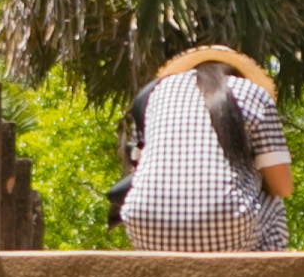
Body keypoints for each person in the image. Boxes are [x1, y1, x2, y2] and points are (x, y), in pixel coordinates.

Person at [118, 43, 294, 252]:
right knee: (274, 204)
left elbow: (137, 170)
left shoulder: (154, 96)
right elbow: (282, 186)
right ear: (238, 74)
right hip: (227, 231)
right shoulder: (252, 93)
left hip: (146, 228)